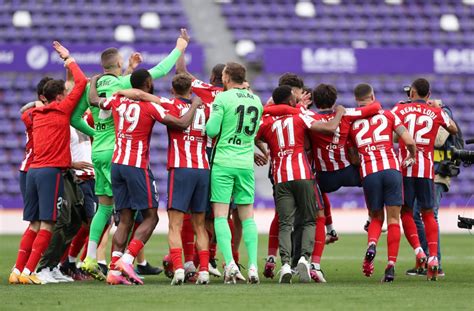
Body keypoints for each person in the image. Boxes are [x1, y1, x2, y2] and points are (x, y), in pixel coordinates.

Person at [73, 30, 190, 280]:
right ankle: (128, 260)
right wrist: (180, 48)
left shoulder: (115, 96)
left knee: (115, 213)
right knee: (149, 215)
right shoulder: (141, 98)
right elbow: (160, 76)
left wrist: (92, 84)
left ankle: (100, 261)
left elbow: (87, 106)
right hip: (132, 161)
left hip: (106, 157)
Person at [90, 68, 201, 285]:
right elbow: (180, 123)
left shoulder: (117, 100)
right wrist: (195, 106)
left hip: (117, 164)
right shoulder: (151, 106)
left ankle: (114, 271)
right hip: (136, 166)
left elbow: (93, 99)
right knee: (151, 217)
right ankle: (128, 259)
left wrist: (94, 80)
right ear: (148, 83)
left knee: (125, 218)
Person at [9, 42, 87, 285]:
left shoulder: (33, 115)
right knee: (48, 222)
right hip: (50, 173)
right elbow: (82, 82)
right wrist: (68, 58)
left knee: (33, 224)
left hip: (31, 170)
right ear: (60, 97)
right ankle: (31, 272)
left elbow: (27, 111)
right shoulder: (62, 111)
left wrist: (35, 104)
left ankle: (18, 270)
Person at [256, 85, 345, 283]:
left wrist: (262, 150)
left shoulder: (267, 120)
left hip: (281, 177)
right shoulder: (300, 116)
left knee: (285, 223)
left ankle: (286, 264)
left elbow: (251, 135)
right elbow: (330, 128)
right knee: (309, 220)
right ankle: (305, 259)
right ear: (290, 101)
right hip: (303, 175)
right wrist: (339, 112)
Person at [392, 78, 458, 281]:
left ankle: (419, 251)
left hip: (405, 169)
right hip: (426, 170)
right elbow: (453, 129)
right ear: (428, 95)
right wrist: (437, 109)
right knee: (429, 214)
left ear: (411, 93)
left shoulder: (399, 110)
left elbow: (394, 137)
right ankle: (433, 259)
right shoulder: (436, 112)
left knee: (406, 212)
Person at [349, 83, 416, 282]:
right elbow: (409, 141)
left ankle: (371, 244)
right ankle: (390, 266)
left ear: (356, 100)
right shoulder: (388, 115)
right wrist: (411, 155)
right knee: (394, 220)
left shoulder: (352, 123)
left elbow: (353, 158)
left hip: (369, 172)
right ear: (373, 96)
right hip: (391, 169)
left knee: (376, 217)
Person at [206, 62, 263, 284]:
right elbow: (255, 131)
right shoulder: (256, 100)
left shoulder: (222, 98)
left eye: (223, 76)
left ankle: (229, 263)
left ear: (228, 77)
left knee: (221, 215)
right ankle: (253, 267)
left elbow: (212, 130)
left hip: (223, 161)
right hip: (245, 163)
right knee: (247, 217)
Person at [157, 74, 212, 285]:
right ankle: (204, 270)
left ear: (173, 90)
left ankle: (179, 269)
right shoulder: (206, 108)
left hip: (181, 169)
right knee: (200, 225)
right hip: (203, 169)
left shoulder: (169, 104)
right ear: (191, 89)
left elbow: (145, 97)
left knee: (175, 225)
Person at [408, 99, 458, 277]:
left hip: (438, 171)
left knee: (430, 214)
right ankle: (427, 259)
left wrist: (434, 112)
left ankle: (436, 262)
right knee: (416, 215)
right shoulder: (428, 113)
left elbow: (438, 140)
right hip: (427, 170)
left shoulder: (443, 112)